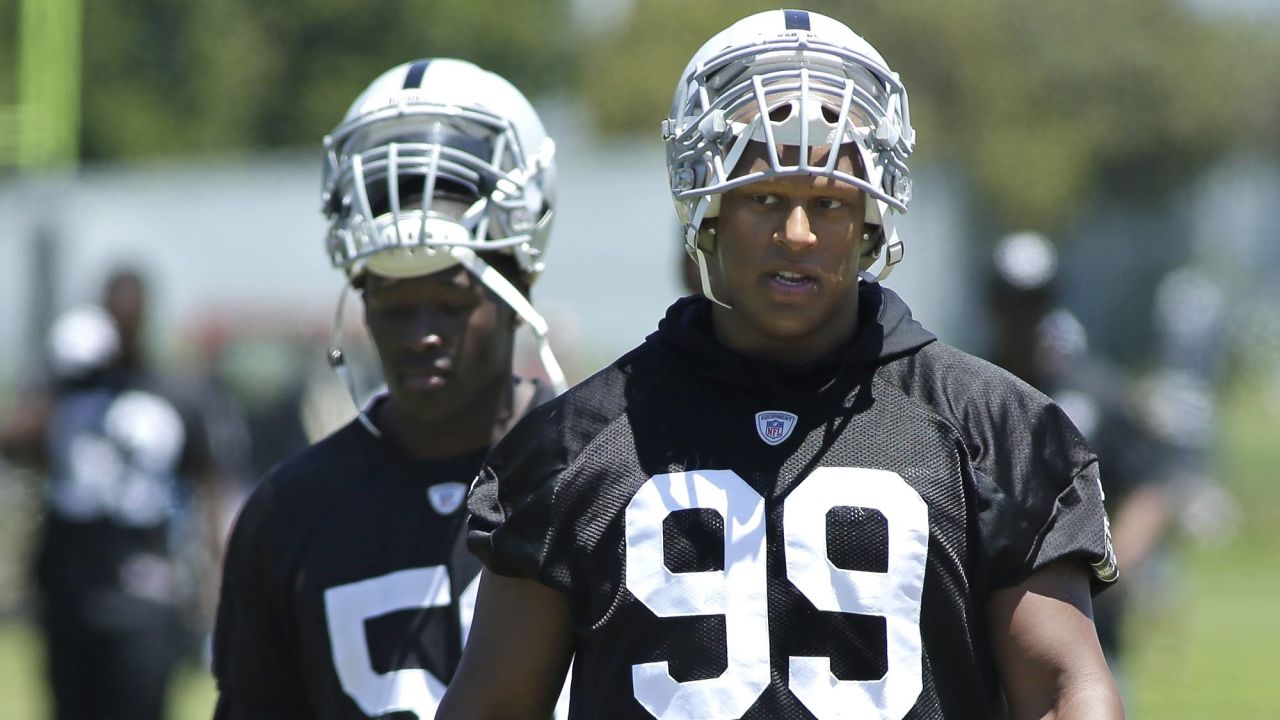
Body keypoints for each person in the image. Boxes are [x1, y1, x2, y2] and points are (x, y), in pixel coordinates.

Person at [440, 10, 1122, 719]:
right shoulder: (573, 447)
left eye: (827, 203)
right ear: (707, 208)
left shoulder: (995, 428)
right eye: (765, 198)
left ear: (871, 218)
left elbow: (1064, 688)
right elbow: (492, 704)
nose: (797, 234)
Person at [211, 58, 565, 719]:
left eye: (451, 301)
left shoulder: (595, 474)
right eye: (395, 305)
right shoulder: (291, 511)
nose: (421, 334)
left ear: (519, 289)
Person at [0, 270, 228, 720]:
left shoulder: (173, 392)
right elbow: (12, 441)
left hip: (147, 587)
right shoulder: (63, 390)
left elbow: (210, 485)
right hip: (69, 586)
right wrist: (59, 376)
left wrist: (216, 579)